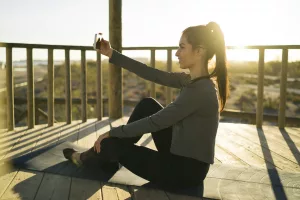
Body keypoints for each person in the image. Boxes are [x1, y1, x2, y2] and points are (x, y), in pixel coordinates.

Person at [63, 21, 229, 194]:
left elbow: (155, 122)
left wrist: (113, 132)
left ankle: (85, 158)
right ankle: (108, 155)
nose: (177, 53)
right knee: (147, 105)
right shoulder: (192, 81)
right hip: (180, 155)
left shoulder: (199, 91)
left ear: (199, 51)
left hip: (184, 172)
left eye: (182, 47)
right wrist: (111, 53)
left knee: (110, 143)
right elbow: (152, 74)